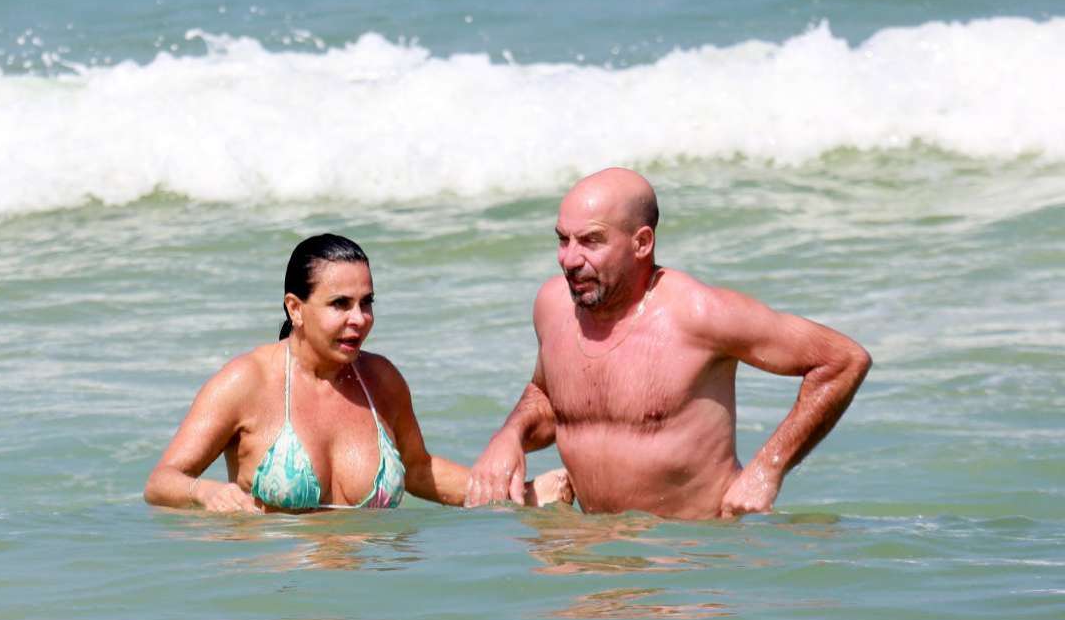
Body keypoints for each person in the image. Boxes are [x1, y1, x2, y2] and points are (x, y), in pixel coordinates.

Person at [466, 168, 871, 519]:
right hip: (591, 558)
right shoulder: (553, 307)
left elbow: (841, 361)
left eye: (590, 242)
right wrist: (510, 436)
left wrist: (767, 470)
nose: (569, 259)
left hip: (689, 563)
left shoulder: (699, 313)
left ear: (642, 243)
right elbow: (549, 395)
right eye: (562, 240)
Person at [145, 234, 571, 513]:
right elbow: (163, 482)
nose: (359, 319)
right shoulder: (247, 382)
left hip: (372, 605)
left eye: (367, 303)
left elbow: (420, 470)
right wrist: (207, 493)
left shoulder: (380, 380)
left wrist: (523, 497)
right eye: (340, 304)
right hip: (278, 608)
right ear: (295, 308)